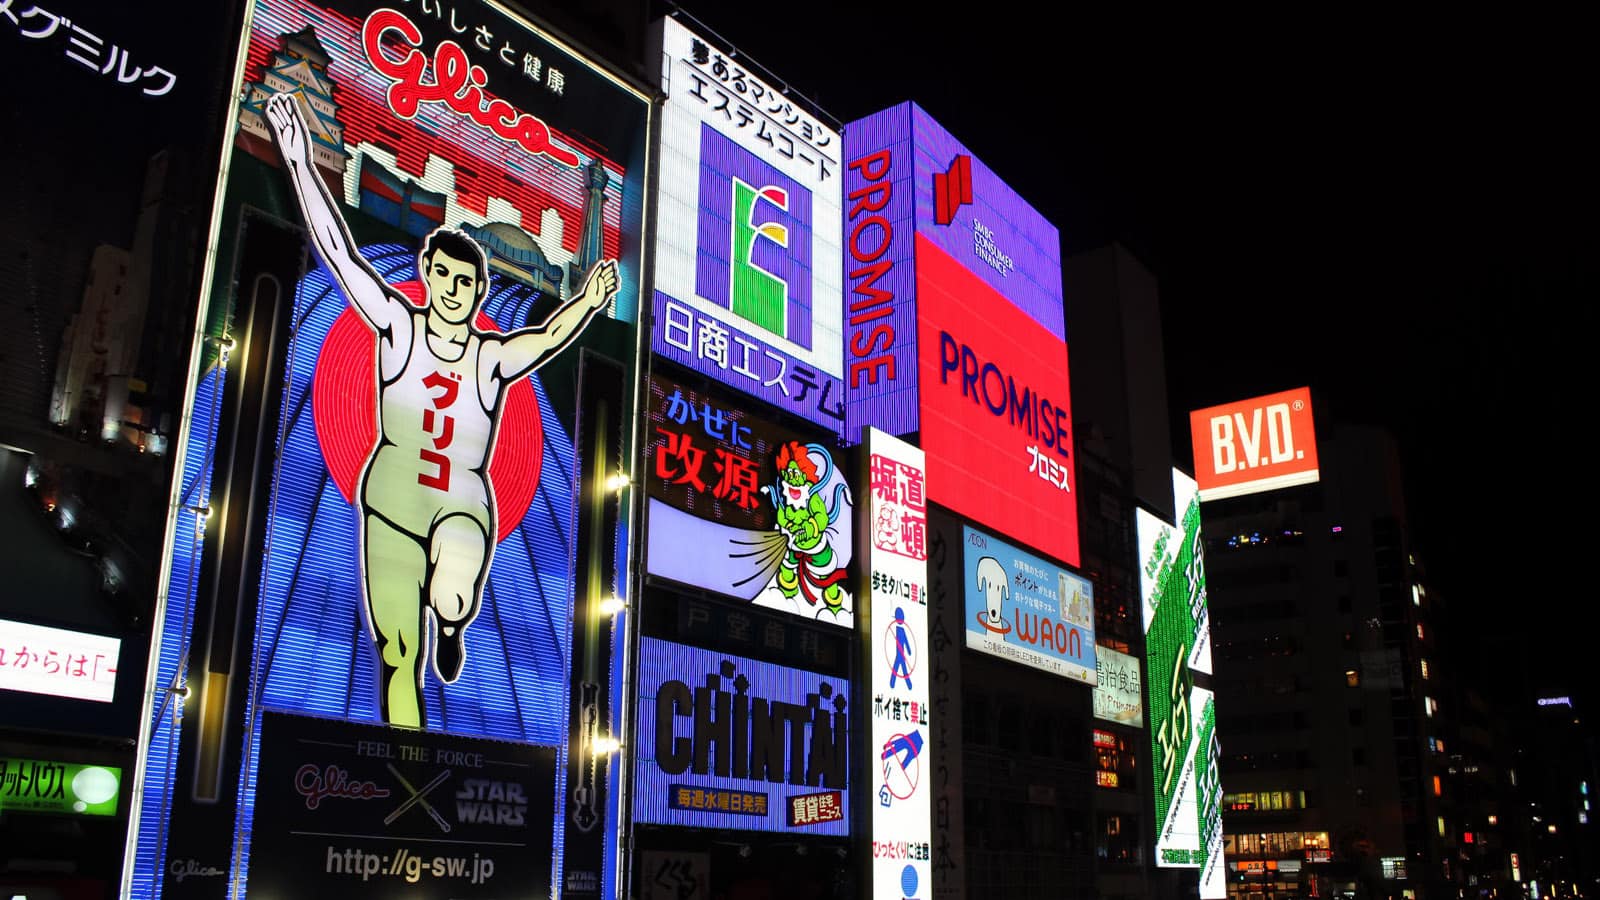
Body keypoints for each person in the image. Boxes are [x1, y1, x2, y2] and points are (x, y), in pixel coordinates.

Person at [265, 93, 618, 727]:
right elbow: (342, 257)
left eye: (466, 283)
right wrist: (298, 162)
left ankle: (453, 621)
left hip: (462, 503)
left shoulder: (489, 357)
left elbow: (543, 340)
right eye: (444, 278)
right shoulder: (396, 326)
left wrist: (588, 303)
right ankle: (405, 753)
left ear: (479, 290)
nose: (453, 292)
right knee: (398, 653)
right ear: (427, 273)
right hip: (390, 503)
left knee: (452, 591)